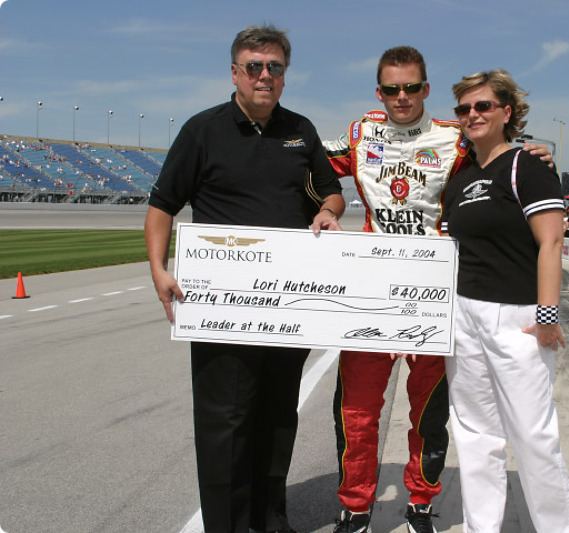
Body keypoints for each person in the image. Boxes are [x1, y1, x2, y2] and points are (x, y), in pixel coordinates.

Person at [324, 46, 553, 533]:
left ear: (426, 89)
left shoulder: (456, 138)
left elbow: (500, 155)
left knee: (429, 411)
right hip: (371, 290)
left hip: (436, 294)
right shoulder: (359, 133)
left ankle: (421, 504)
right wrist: (326, 204)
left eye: (411, 87)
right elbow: (308, 165)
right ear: (379, 91)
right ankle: (355, 508)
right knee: (358, 409)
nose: (401, 97)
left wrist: (535, 149)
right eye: (390, 88)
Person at [144, 25, 344, 533]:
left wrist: (327, 211)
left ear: (285, 75)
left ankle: (270, 518)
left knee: (278, 416)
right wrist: (159, 269)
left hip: (287, 301)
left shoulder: (300, 129)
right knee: (225, 422)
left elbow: (330, 191)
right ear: (235, 72)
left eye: (274, 68)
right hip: (222, 304)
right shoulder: (203, 130)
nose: (264, 76)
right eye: (254, 67)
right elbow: (163, 205)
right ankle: (228, 525)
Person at [441, 69, 569, 533]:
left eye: (483, 106)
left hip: (517, 318)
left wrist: (546, 316)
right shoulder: (460, 178)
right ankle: (483, 526)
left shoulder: (528, 166)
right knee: (476, 435)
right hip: (465, 315)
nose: (472, 115)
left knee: (533, 436)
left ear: (507, 112)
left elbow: (552, 243)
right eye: (464, 108)